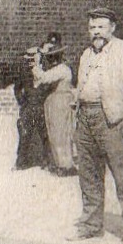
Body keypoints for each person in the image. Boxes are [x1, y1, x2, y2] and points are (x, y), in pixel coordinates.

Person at [70, 7, 123, 244]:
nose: (96, 32)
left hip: (112, 120)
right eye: (92, 27)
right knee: (88, 176)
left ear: (112, 28)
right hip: (86, 118)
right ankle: (91, 225)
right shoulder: (86, 55)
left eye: (101, 27)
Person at [33, 33, 76, 175]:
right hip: (54, 102)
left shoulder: (62, 69)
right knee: (54, 133)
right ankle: (60, 163)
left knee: (61, 134)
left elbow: (43, 78)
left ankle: (66, 165)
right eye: (50, 56)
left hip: (61, 102)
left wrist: (36, 64)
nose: (51, 59)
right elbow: (38, 83)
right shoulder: (56, 69)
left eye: (54, 56)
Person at [13, 46, 50, 171]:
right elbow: (17, 88)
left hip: (41, 106)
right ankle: (21, 161)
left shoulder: (45, 71)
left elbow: (49, 88)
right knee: (24, 133)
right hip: (28, 106)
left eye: (33, 57)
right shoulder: (24, 72)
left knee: (45, 134)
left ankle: (46, 161)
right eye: (29, 58)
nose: (31, 61)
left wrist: (44, 99)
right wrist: (22, 101)